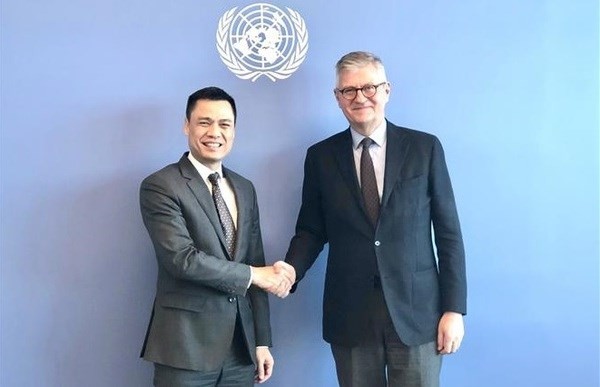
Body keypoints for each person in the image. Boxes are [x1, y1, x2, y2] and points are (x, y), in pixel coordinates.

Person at [284, 51, 467, 387]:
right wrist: (290, 271)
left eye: (369, 87)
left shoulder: (424, 148)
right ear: (337, 98)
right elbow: (311, 229)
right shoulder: (321, 157)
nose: (360, 97)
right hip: (351, 315)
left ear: (386, 90)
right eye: (349, 90)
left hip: (418, 314)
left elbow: (449, 235)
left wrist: (454, 309)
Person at [139, 86, 295, 387]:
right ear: (187, 126)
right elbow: (182, 260)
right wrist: (256, 275)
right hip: (185, 348)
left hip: (240, 349)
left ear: (234, 130)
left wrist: (261, 341)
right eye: (204, 122)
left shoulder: (244, 187)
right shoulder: (161, 185)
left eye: (225, 124)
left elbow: (256, 260)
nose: (215, 132)